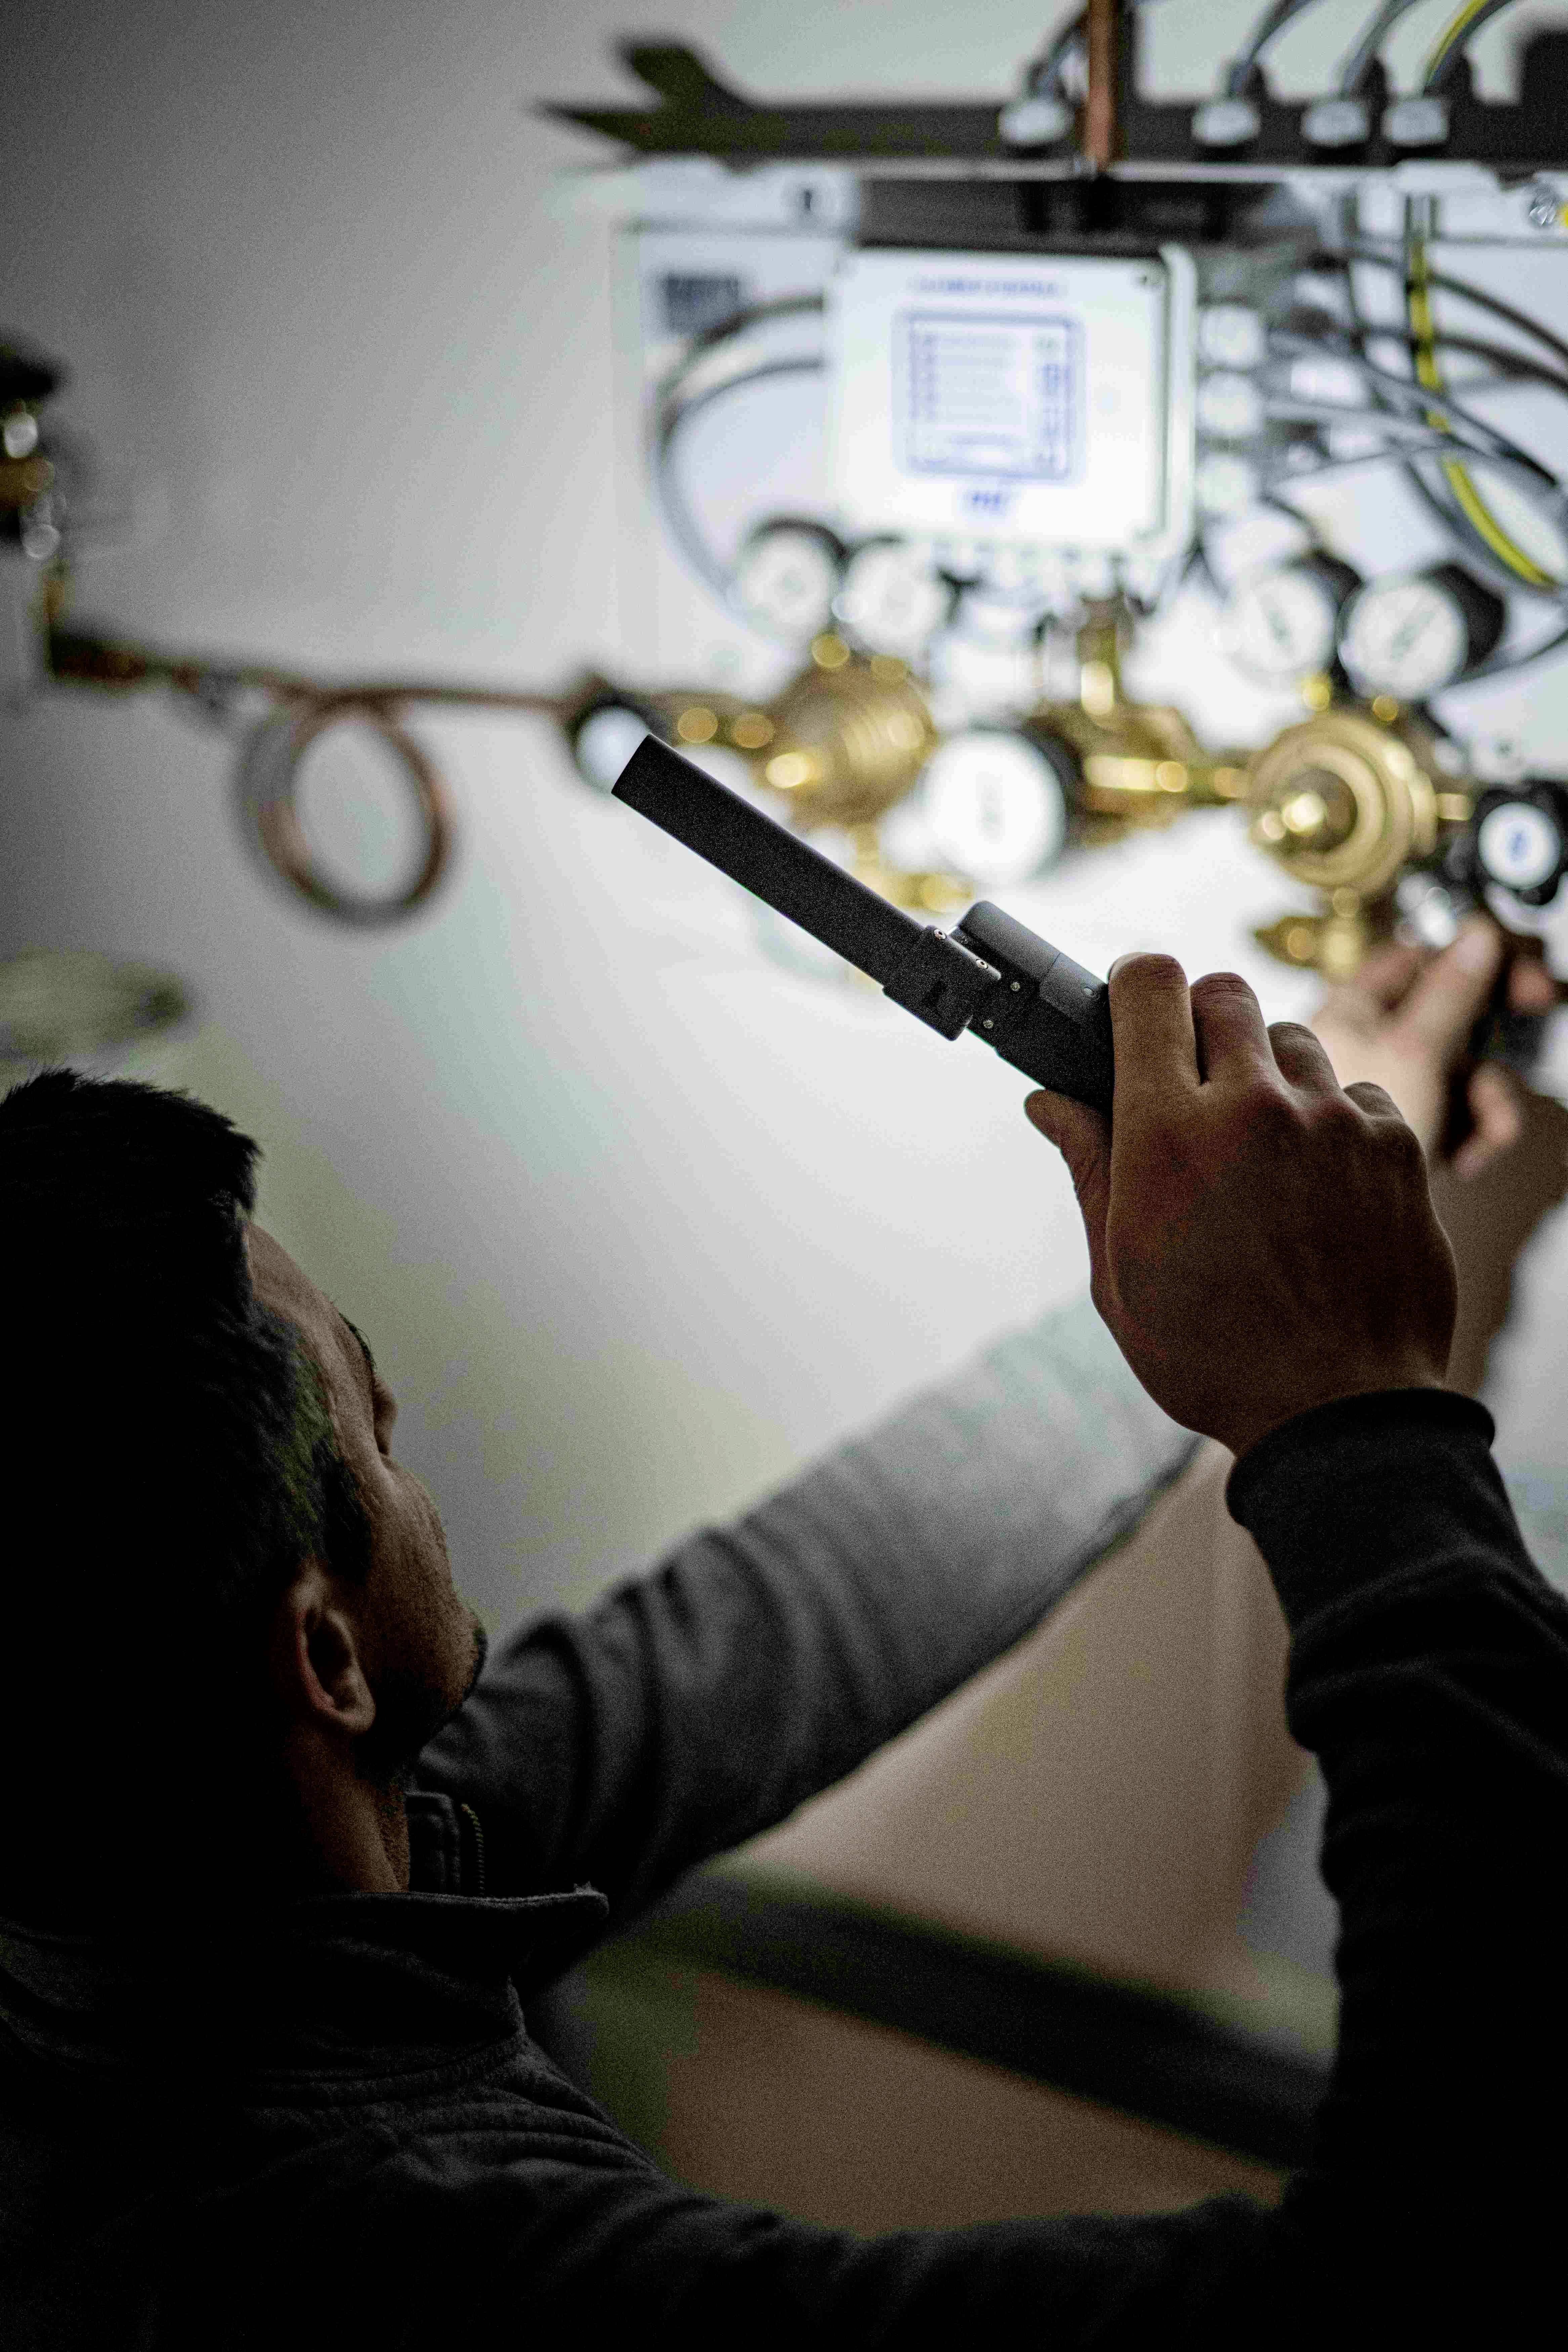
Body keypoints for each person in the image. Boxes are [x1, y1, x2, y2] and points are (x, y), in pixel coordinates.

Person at [1, 913, 1564, 2348]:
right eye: (370, 1415)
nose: (403, 1418)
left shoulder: (184, 1874)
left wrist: (1239, 1289)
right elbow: (1428, 2281)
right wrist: (1355, 1413)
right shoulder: (397, 2289)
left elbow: (782, 1627)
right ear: (327, 1660)